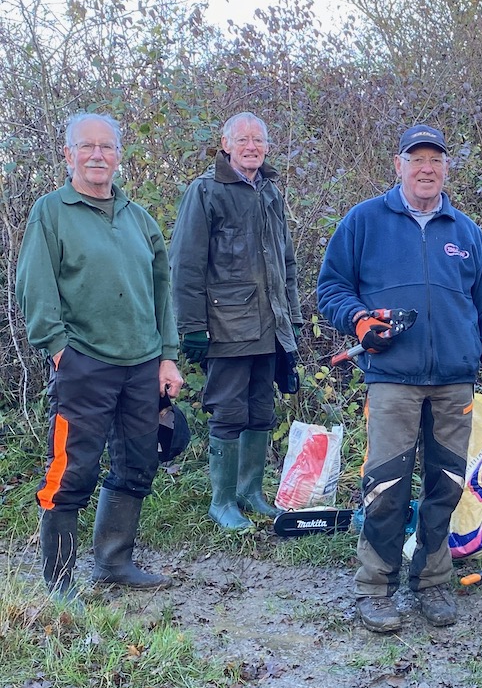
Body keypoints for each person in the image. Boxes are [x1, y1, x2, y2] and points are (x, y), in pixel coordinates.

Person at [317, 123, 482, 633]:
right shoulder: (364, 222)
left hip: (454, 382)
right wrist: (359, 320)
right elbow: (332, 289)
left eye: (435, 159)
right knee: (385, 485)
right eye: (416, 159)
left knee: (446, 484)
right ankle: (374, 588)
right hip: (392, 380)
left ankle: (431, 582)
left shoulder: (468, 233)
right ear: (398, 165)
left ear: (447, 167)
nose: (426, 168)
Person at [15, 112, 184, 599]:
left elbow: (161, 291)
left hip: (142, 365)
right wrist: (59, 349)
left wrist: (166, 357)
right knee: (71, 471)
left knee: (137, 463)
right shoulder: (51, 212)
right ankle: (61, 583)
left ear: (118, 156)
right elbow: (35, 286)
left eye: (106, 147)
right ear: (68, 155)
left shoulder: (139, 218)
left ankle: (113, 563)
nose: (96, 155)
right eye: (85, 147)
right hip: (84, 363)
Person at [169, 112, 303, 530]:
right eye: (242, 139)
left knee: (262, 411)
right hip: (226, 327)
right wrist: (191, 326)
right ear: (225, 145)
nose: (251, 146)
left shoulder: (271, 193)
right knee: (227, 413)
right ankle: (222, 501)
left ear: (266, 147)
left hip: (271, 328)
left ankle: (251, 492)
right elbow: (185, 264)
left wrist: (293, 318)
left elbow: (287, 262)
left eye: (258, 140)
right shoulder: (206, 192)